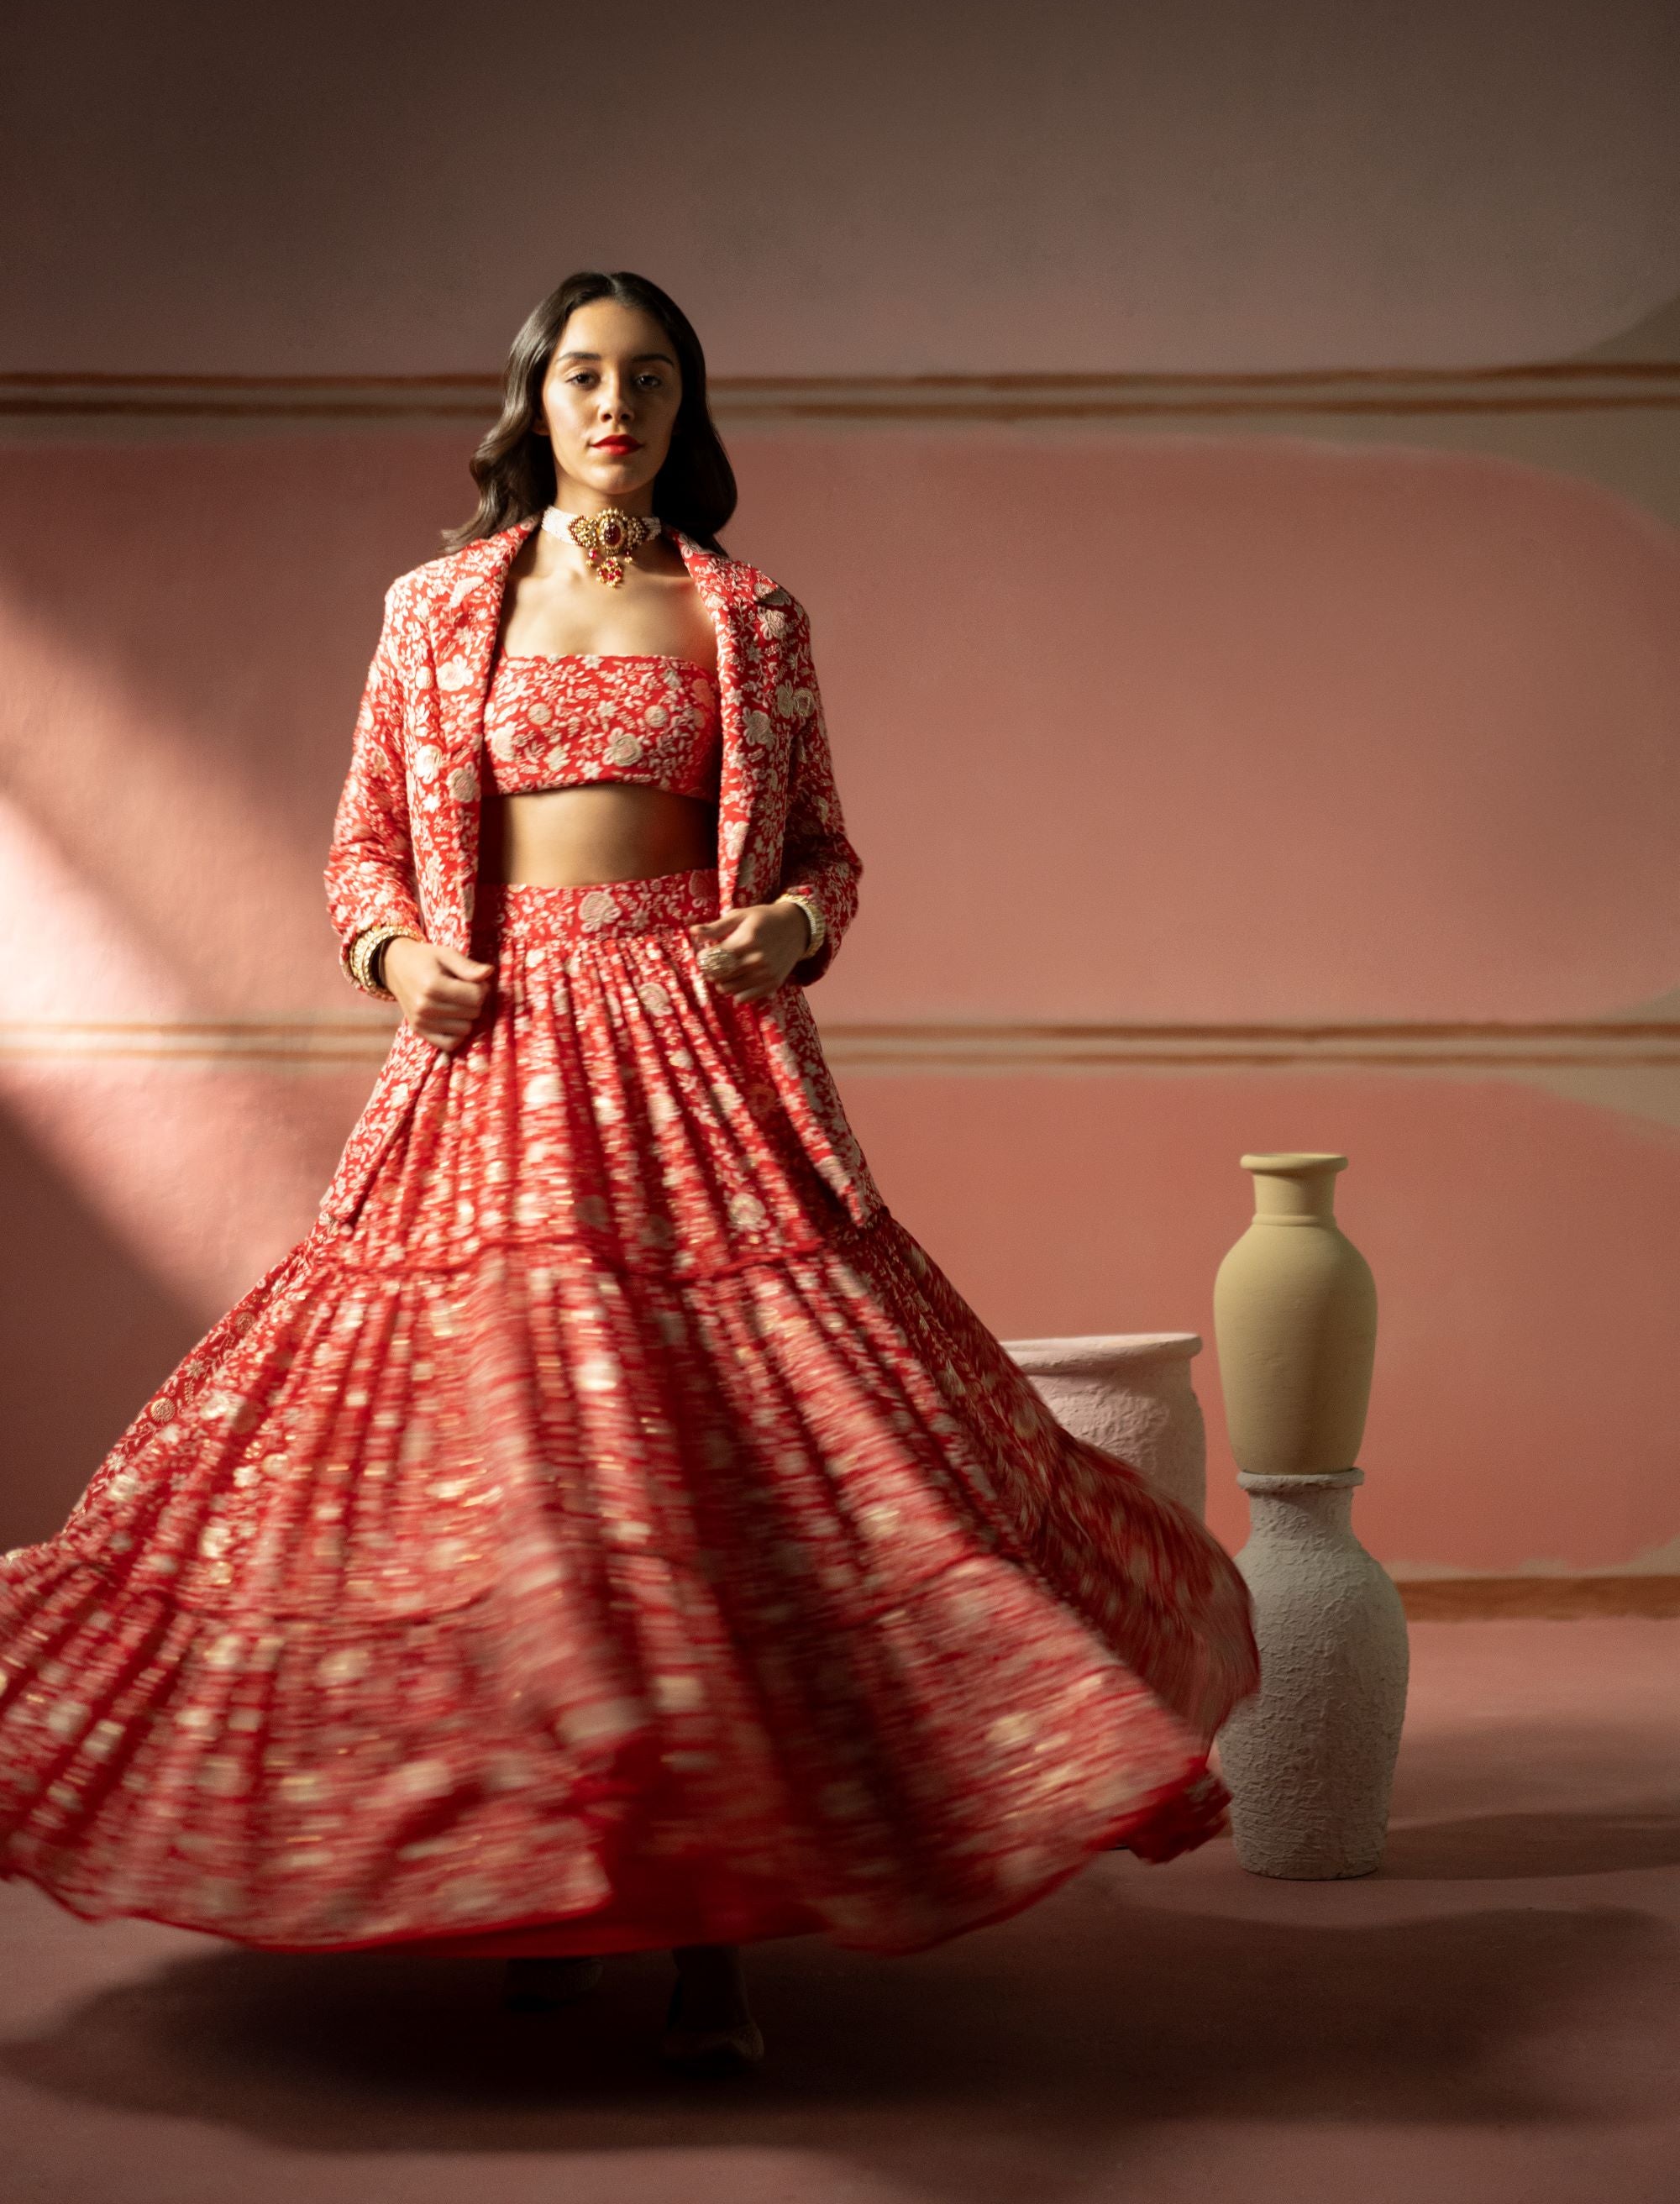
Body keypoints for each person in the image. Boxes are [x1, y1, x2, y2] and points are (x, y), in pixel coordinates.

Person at [0, 270, 1257, 2075]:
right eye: (586, 373)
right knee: (527, 1504)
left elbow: (825, 845)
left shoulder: (746, 617)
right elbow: (365, 849)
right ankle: (553, 1891)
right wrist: (391, 962)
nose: (616, 403)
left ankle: (709, 1952)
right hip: (496, 1064)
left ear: (685, 408)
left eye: (648, 377)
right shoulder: (437, 611)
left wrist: (792, 925)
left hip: (701, 1064)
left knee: (723, 1483)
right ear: (534, 403)